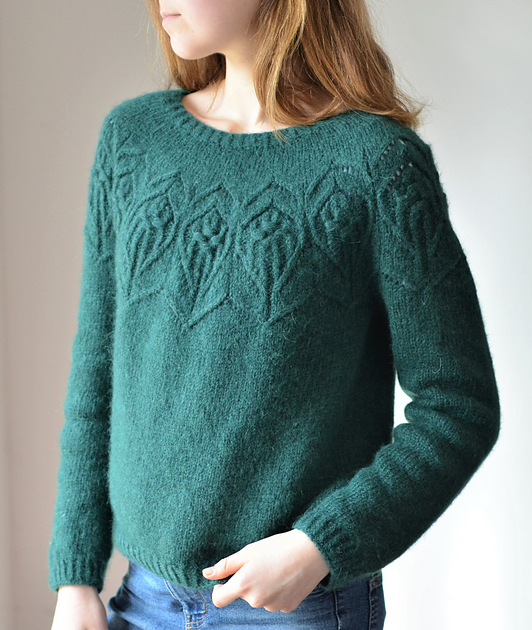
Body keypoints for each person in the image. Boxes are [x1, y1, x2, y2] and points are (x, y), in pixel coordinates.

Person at [48, 1, 501, 629]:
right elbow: (97, 370)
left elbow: (458, 406)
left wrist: (320, 545)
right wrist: (75, 579)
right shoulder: (133, 141)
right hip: (143, 598)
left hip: (296, 608)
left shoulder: (377, 165)